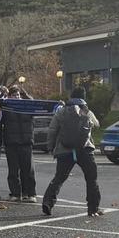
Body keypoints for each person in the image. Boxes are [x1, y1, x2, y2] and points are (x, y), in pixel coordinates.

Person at [42, 87, 102, 216]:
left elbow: (52, 130)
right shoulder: (86, 111)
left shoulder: (62, 111)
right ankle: (93, 208)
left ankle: (48, 202)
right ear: (83, 97)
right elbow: (97, 124)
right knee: (91, 179)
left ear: (71, 97)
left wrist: (50, 147)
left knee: (59, 177)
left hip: (64, 150)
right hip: (85, 149)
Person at [2, 86, 37, 202]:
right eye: (13, 95)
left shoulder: (27, 107)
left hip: (26, 142)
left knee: (28, 170)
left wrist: (25, 94)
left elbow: (34, 104)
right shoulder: (7, 108)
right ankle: (15, 193)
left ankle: (30, 193)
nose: (16, 97)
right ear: (9, 97)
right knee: (13, 171)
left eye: (18, 95)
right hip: (11, 143)